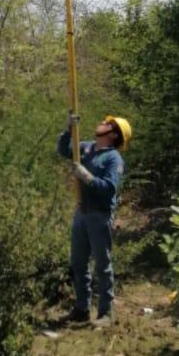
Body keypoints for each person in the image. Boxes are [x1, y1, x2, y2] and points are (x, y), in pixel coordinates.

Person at [56, 113, 132, 327]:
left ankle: (106, 314)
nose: (102, 123)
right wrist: (68, 130)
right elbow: (64, 150)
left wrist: (86, 176)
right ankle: (81, 309)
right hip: (81, 213)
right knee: (78, 263)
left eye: (108, 124)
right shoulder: (87, 148)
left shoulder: (113, 158)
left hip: (99, 215)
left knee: (102, 264)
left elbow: (108, 189)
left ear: (114, 134)